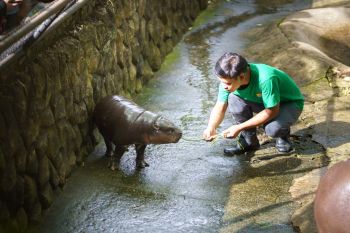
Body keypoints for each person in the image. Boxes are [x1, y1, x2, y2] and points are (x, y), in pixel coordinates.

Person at [203, 52, 304, 155]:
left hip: (288, 104)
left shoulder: (266, 79)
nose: (224, 86)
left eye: (228, 83)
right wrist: (211, 127)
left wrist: (239, 127)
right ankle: (249, 142)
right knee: (233, 98)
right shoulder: (228, 79)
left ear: (241, 77)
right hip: (263, 101)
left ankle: (283, 135)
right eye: (221, 82)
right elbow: (220, 106)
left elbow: (271, 111)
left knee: (273, 129)